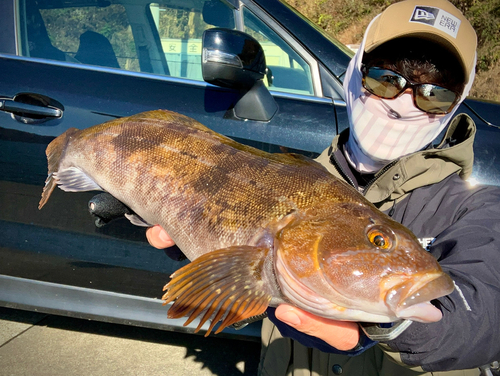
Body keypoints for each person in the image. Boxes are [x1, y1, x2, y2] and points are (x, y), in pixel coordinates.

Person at [147, 0, 500, 374]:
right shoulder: (292, 178)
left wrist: (388, 324)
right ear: (353, 73)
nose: (403, 102)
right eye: (385, 78)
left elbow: (484, 312)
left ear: (457, 103)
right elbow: (230, 289)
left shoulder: (478, 205)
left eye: (435, 93)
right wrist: (189, 241)